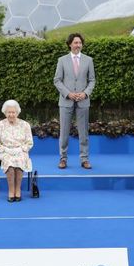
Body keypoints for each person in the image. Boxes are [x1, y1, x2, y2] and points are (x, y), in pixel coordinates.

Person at [53, 33, 96, 169]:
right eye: (75, 43)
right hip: (66, 101)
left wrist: (85, 93)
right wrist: (68, 94)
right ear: (70, 44)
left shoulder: (88, 60)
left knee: (84, 132)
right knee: (64, 132)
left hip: (83, 101)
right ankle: (63, 159)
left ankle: (84, 159)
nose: (78, 45)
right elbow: (57, 80)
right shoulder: (62, 60)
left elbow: (92, 80)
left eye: (80, 43)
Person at [0, 100, 34, 202]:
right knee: (10, 164)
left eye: (13, 112)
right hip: (6, 151)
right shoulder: (0, 124)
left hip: (20, 150)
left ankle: (18, 189)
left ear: (17, 112)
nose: (11, 114)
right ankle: (11, 190)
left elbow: (29, 143)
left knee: (19, 161)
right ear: (5, 113)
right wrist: (5, 150)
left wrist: (20, 149)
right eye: (9, 112)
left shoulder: (25, 125)